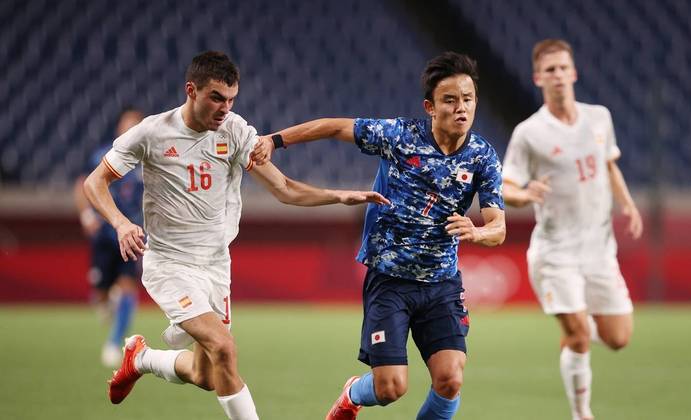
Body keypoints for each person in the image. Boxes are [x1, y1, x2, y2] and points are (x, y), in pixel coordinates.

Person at [83, 51, 389, 420]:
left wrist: (339, 196)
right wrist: (120, 222)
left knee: (207, 374)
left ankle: (142, 358)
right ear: (191, 90)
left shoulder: (235, 131)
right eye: (216, 97)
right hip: (170, 263)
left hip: (215, 265)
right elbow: (94, 181)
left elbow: (285, 188)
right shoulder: (151, 133)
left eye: (231, 99)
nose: (224, 108)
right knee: (224, 347)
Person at [251, 51, 506, 420]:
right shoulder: (399, 136)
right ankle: (352, 394)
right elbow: (334, 127)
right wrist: (276, 140)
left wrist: (478, 231)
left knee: (450, 379)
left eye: (467, 99)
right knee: (390, 388)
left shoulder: (483, 156)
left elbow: (498, 227)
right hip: (390, 282)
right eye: (450, 100)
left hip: (441, 283)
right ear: (430, 107)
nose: (460, 107)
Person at [501, 39, 643, 420]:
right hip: (556, 253)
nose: (558, 75)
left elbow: (609, 164)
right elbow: (505, 187)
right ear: (538, 78)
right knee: (579, 336)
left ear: (574, 72)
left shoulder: (599, 117)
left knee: (618, 338)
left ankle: (575, 322)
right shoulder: (529, 133)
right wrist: (525, 193)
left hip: (599, 249)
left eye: (564, 67)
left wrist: (627, 203)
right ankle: (582, 414)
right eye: (550, 70)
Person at [73, 107, 144, 368]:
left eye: (135, 124)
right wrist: (86, 216)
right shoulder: (102, 155)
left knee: (128, 286)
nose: (130, 128)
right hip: (105, 233)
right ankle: (107, 297)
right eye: (127, 123)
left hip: (132, 234)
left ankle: (115, 343)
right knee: (100, 294)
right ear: (118, 127)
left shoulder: (147, 160)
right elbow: (82, 185)